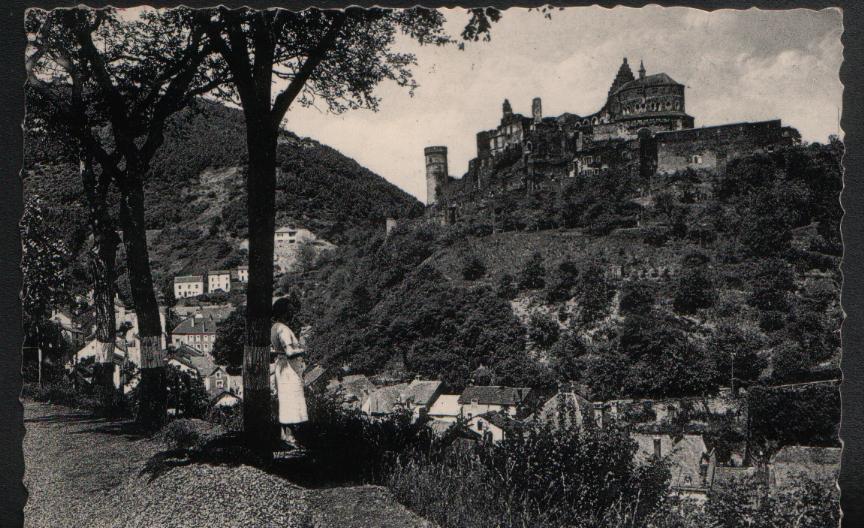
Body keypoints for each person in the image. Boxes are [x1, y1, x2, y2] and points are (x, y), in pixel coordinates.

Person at [271, 297, 308, 446]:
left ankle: (284, 434)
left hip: (281, 367)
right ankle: (291, 437)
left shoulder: (274, 327)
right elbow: (290, 352)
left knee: (284, 400)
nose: (291, 314)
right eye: (289, 311)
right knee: (292, 401)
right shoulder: (283, 330)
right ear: (284, 312)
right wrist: (303, 350)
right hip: (289, 369)